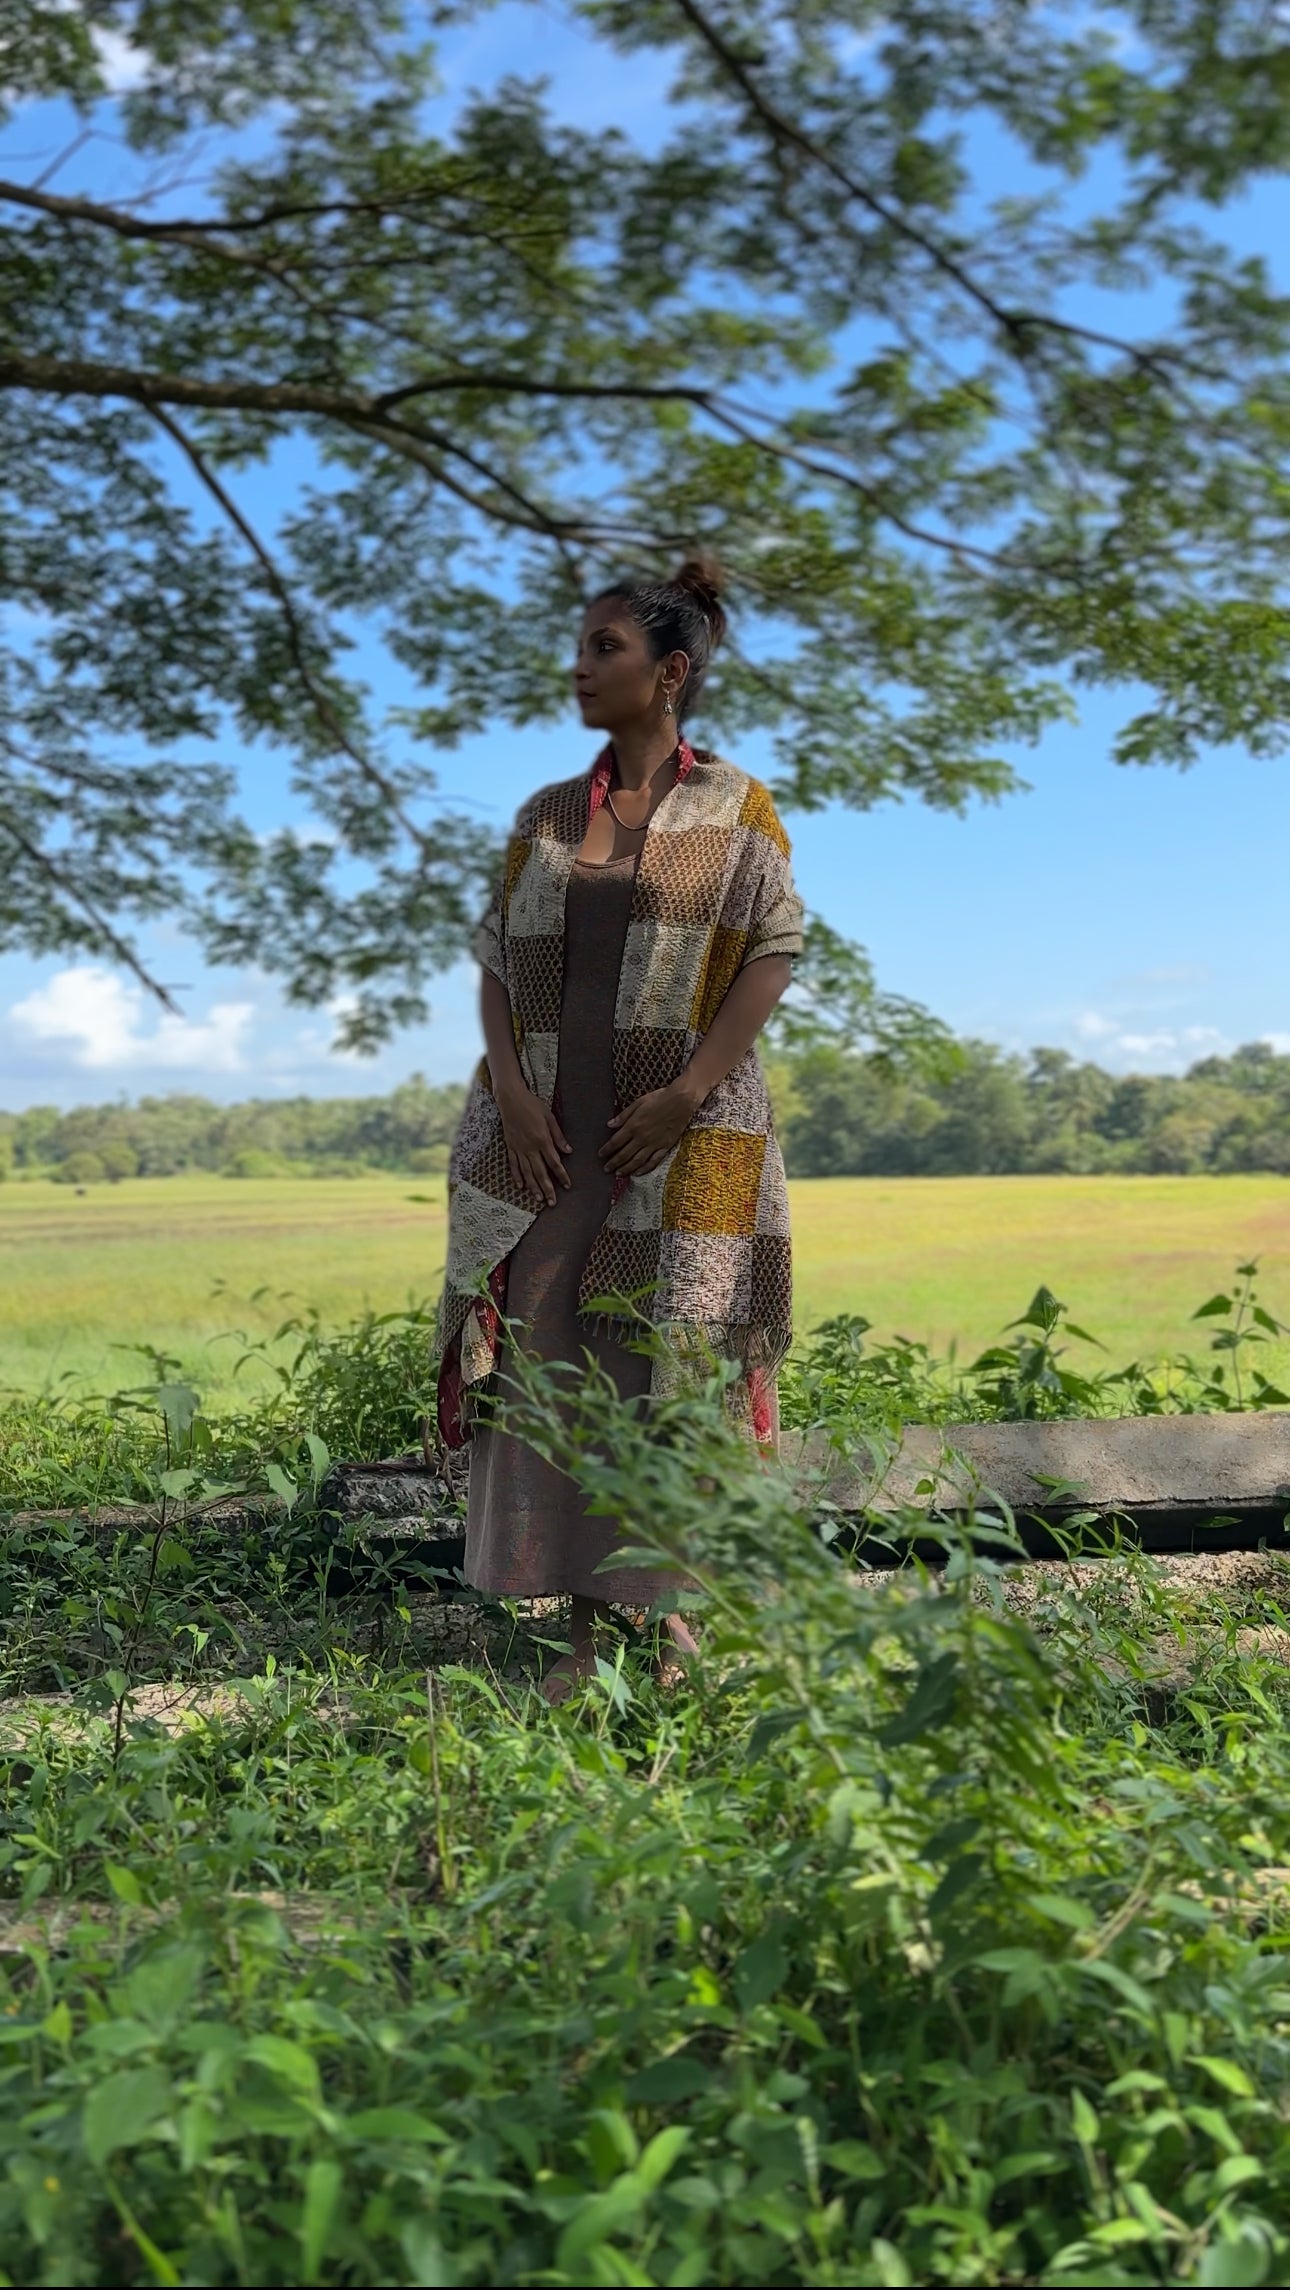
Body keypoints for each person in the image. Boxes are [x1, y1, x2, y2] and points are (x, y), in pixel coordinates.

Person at [435, 557, 803, 1700]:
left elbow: (775, 950)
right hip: (543, 1146)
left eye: (607, 648)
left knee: (671, 1367)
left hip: (680, 1139)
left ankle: (677, 1624)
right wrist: (507, 1090)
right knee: (558, 1373)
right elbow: (497, 963)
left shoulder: (736, 806)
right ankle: (585, 1636)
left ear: (672, 672)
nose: (580, 667)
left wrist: (688, 1091)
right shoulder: (546, 816)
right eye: (582, 646)